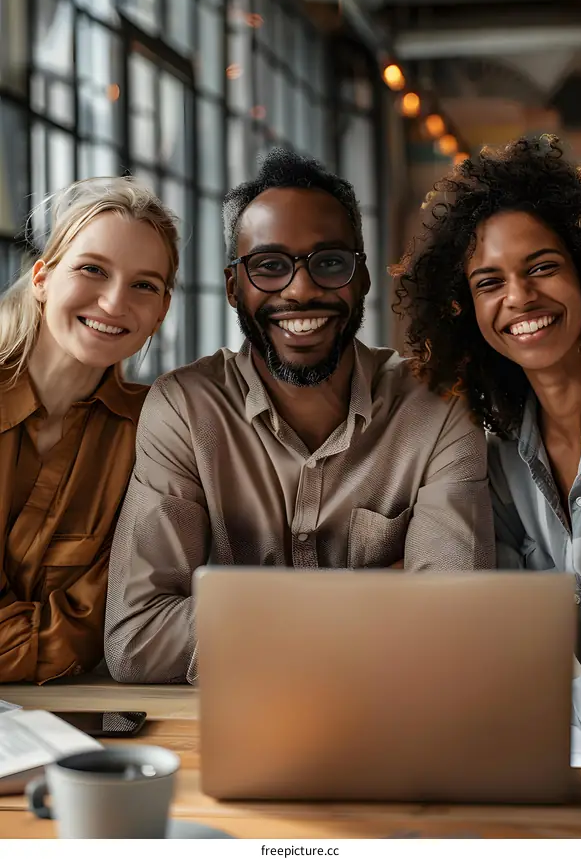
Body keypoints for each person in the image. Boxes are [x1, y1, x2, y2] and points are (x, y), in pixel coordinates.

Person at [105, 147, 494, 685]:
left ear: (362, 279)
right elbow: (137, 639)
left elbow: (453, 625)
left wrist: (250, 619)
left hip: (393, 728)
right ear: (232, 287)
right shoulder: (184, 407)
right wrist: (381, 594)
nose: (301, 289)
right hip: (227, 732)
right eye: (269, 266)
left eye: (329, 262)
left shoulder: (439, 409)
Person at [392, 134, 581, 728]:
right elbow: (511, 640)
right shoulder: (501, 460)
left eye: (542, 267)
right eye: (489, 282)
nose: (519, 297)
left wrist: (541, 698)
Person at [0, 177, 178, 684]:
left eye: (144, 285)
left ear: (161, 311)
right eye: (92, 270)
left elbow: (107, 620)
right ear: (41, 278)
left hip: (70, 712)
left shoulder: (156, 432)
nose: (114, 303)